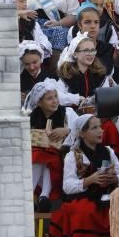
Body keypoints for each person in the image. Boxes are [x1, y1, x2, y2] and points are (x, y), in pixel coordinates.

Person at [45, 114, 119, 237]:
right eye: (94, 128)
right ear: (82, 133)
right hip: (82, 196)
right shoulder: (73, 155)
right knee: (84, 210)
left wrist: (114, 179)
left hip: (106, 195)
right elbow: (67, 186)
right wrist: (90, 180)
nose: (100, 131)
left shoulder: (109, 152)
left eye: (100, 127)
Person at [23, 79, 76, 213]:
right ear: (40, 102)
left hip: (61, 154)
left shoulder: (67, 113)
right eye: (49, 98)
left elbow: (80, 131)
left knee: (47, 157)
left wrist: (67, 131)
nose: (55, 101)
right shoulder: (31, 118)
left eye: (55, 97)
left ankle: (37, 195)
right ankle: (41, 195)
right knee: (40, 155)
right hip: (37, 157)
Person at [57, 34, 113, 108]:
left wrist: (91, 100)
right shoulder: (67, 74)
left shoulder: (99, 74)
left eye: (93, 50)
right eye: (86, 51)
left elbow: (106, 95)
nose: (90, 54)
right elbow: (57, 96)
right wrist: (77, 99)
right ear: (75, 54)